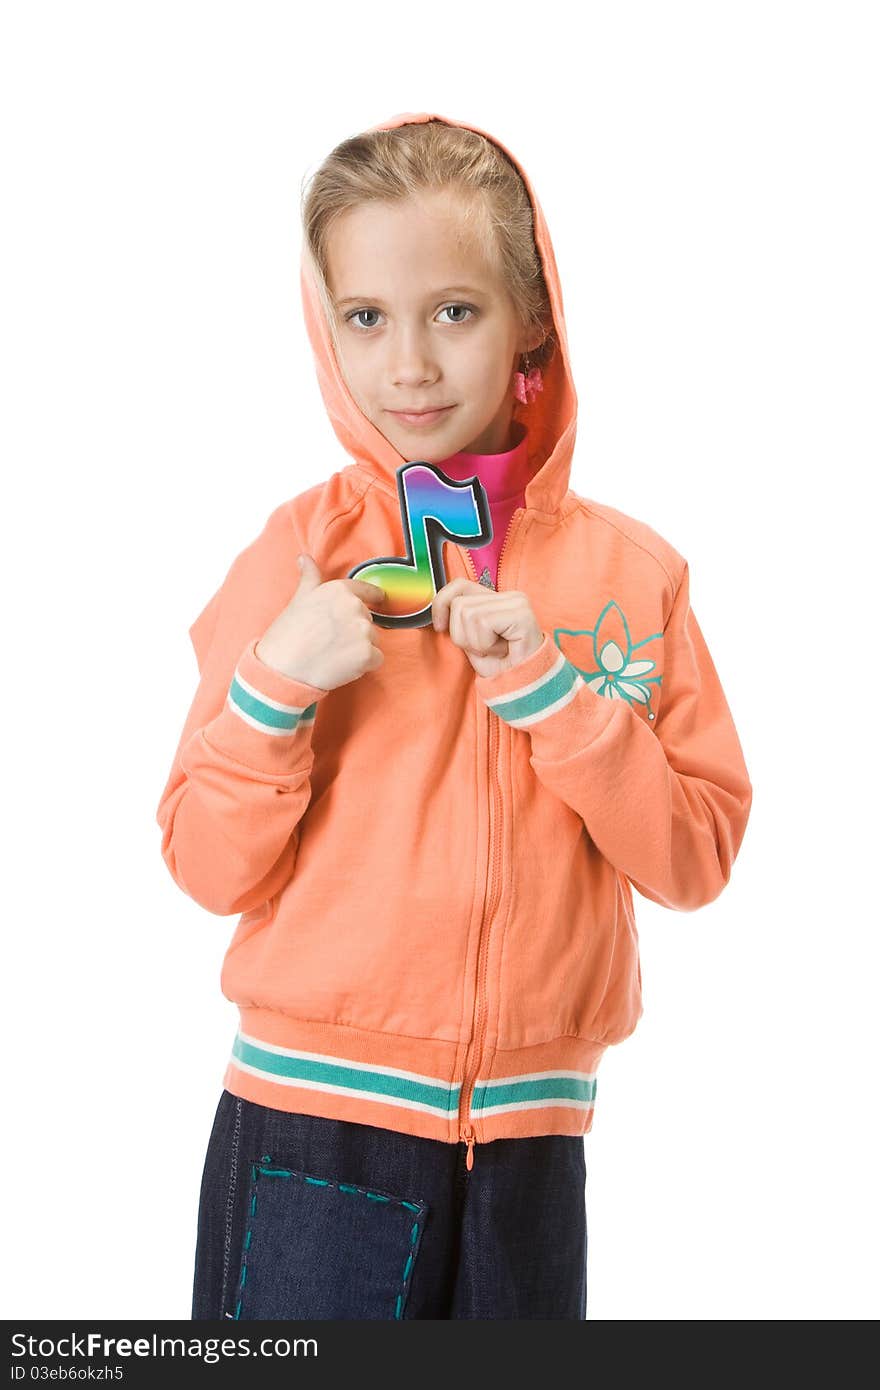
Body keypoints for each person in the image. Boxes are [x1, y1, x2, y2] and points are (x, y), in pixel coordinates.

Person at [156, 111, 753, 1321]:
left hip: (534, 1145)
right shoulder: (298, 555)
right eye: (366, 318)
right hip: (313, 1127)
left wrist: (555, 697)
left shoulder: (633, 577)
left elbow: (694, 857)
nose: (409, 366)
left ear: (531, 321)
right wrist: (277, 681)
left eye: (454, 311)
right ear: (324, 329)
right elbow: (204, 862)